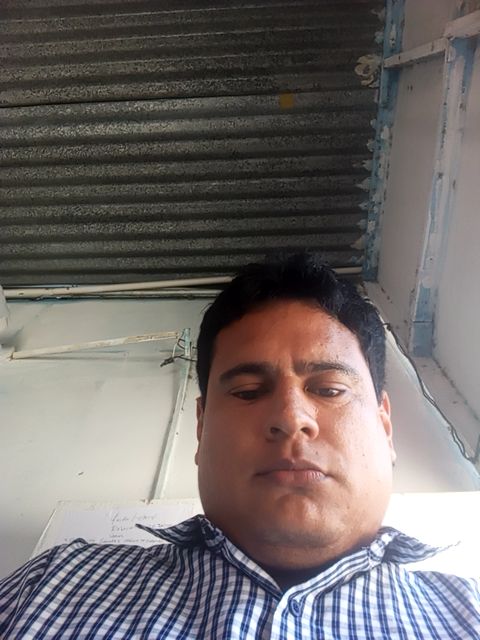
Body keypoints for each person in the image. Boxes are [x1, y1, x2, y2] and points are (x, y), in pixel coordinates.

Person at [0, 254, 478, 639]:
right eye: (248, 392)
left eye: (329, 389)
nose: (291, 417)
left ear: (385, 425)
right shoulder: (54, 587)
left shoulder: (470, 613)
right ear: (201, 426)